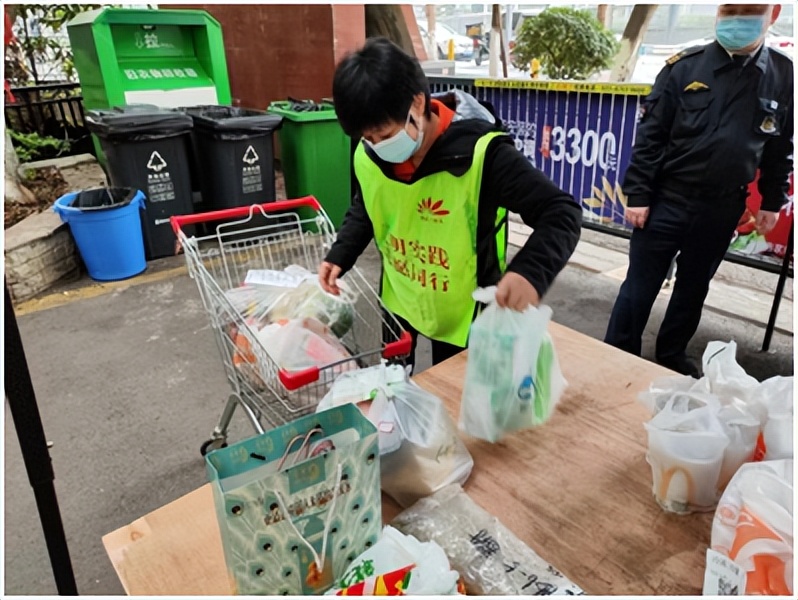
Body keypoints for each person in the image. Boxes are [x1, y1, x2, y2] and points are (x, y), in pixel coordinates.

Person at [318, 37, 581, 370]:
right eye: (366, 138)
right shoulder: (368, 154)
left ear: (417, 104)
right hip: (401, 299)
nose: (376, 146)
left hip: (464, 313)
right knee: (395, 392)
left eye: (384, 135)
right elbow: (369, 204)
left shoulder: (482, 155)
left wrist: (529, 273)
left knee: (455, 398)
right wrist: (341, 253)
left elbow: (561, 212)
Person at [604, 4, 793, 377]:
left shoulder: (784, 74)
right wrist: (638, 194)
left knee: (693, 289)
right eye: (730, 10)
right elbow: (651, 137)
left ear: (773, 13)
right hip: (666, 200)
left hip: (722, 207)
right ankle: (618, 353)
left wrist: (772, 200)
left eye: (749, 10)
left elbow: (778, 146)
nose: (737, 19)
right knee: (640, 286)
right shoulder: (684, 66)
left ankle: (672, 353)